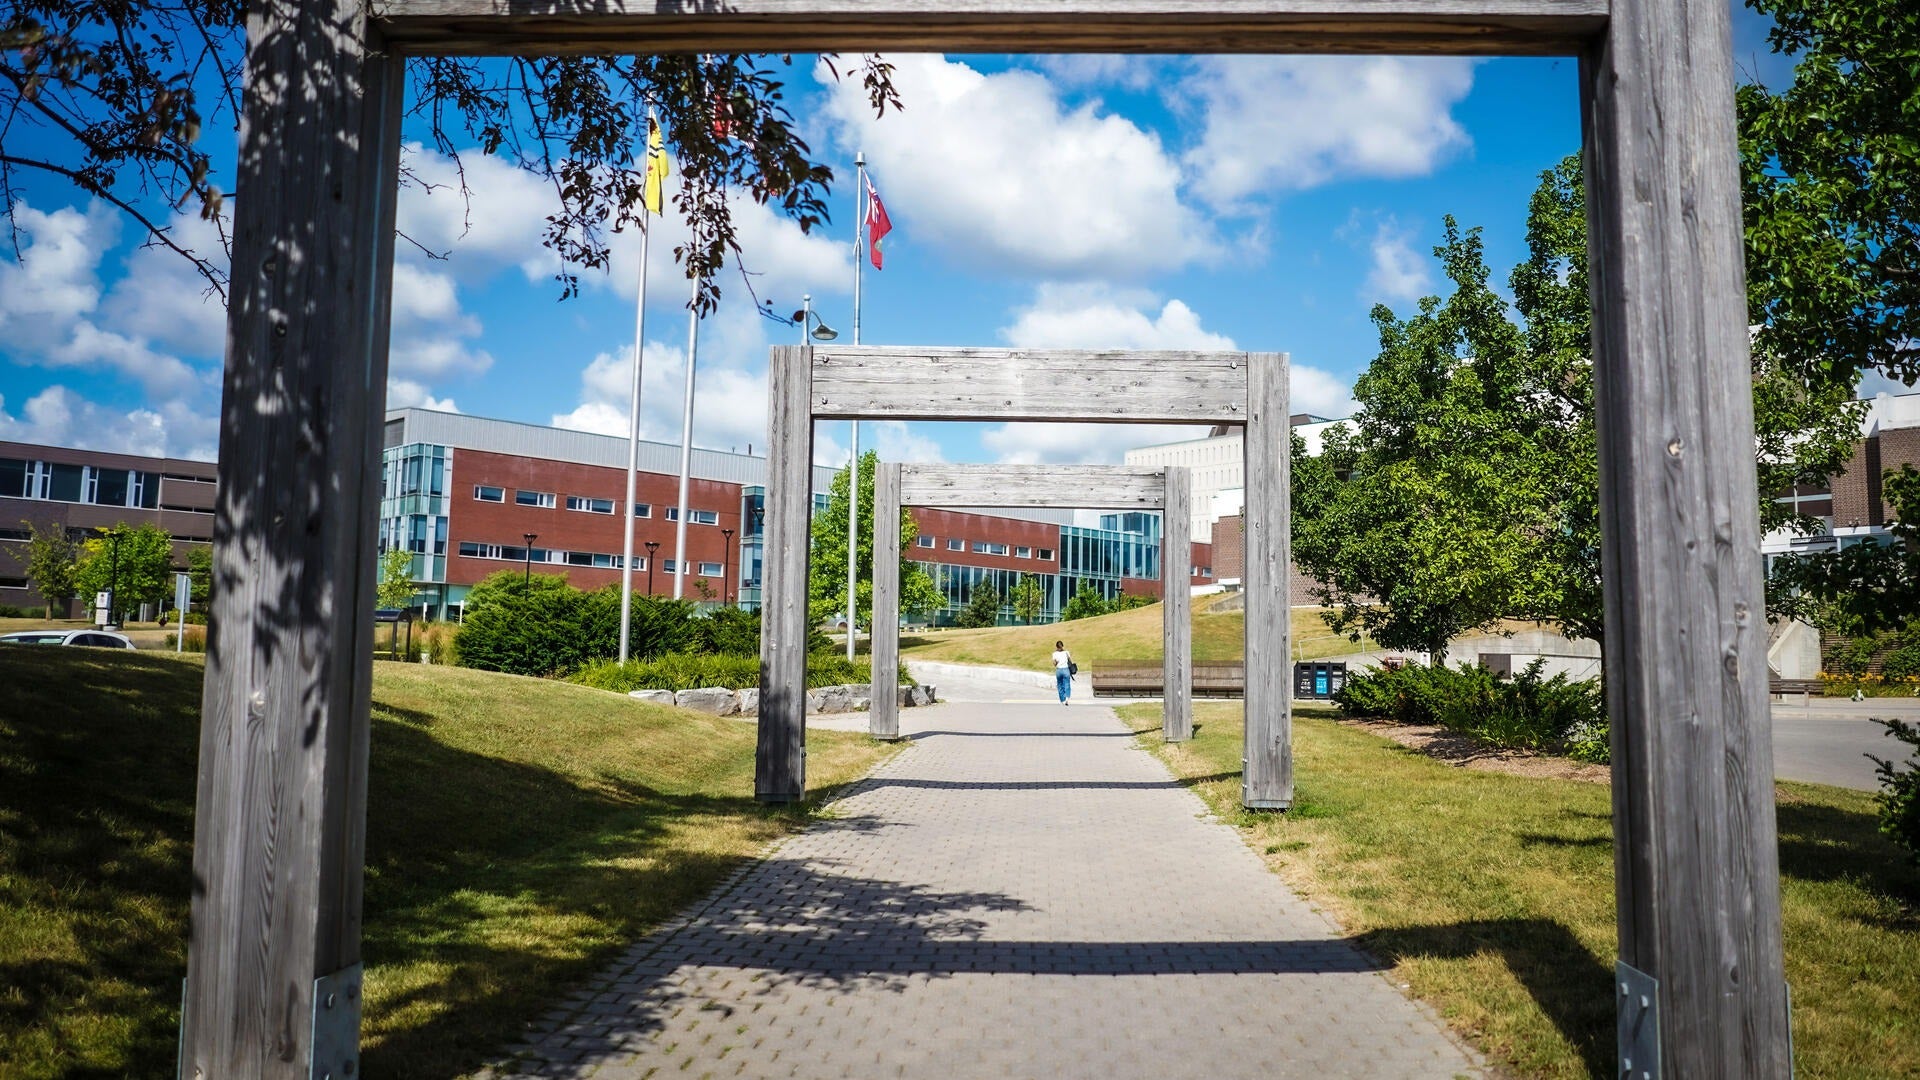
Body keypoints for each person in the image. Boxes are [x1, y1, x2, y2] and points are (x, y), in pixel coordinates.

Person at [1052, 639, 1073, 705]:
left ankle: (1062, 700)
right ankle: (1067, 697)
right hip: (1066, 670)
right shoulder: (1066, 652)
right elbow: (1070, 661)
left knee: (1060, 685)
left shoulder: (1054, 654)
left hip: (1059, 670)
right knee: (1067, 684)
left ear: (1056, 646)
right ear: (1062, 646)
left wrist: (1058, 661)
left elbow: (1054, 664)